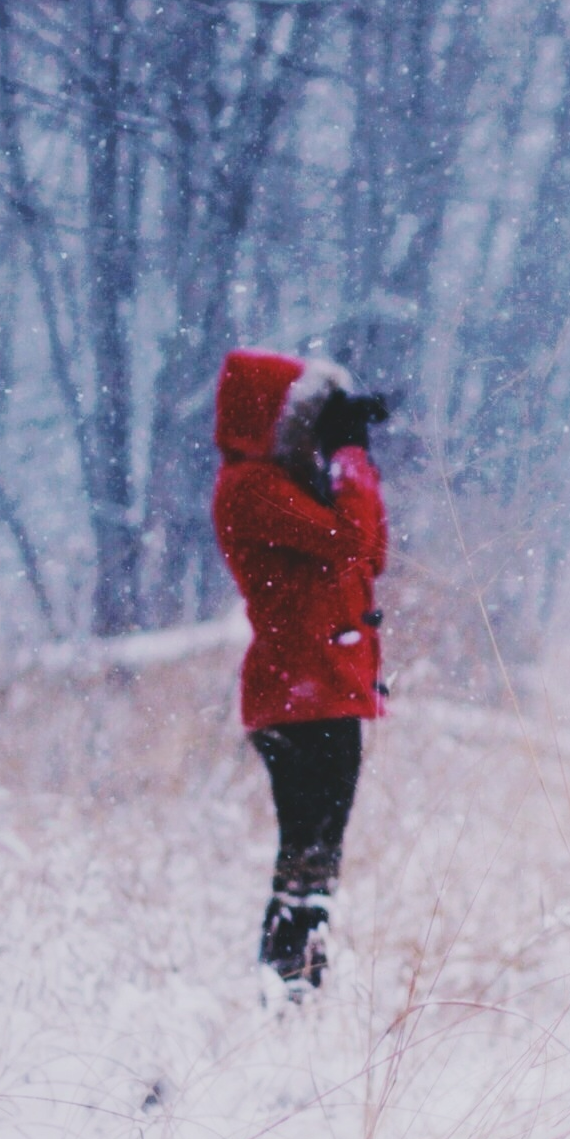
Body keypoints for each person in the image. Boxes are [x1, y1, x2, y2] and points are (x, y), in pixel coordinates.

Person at [211, 348, 390, 995]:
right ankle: (287, 984)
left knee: (320, 856)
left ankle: (298, 982)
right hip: (298, 693)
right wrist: (347, 458)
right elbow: (348, 541)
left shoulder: (287, 489)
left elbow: (369, 552)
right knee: (307, 852)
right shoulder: (250, 490)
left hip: (325, 689)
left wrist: (351, 460)